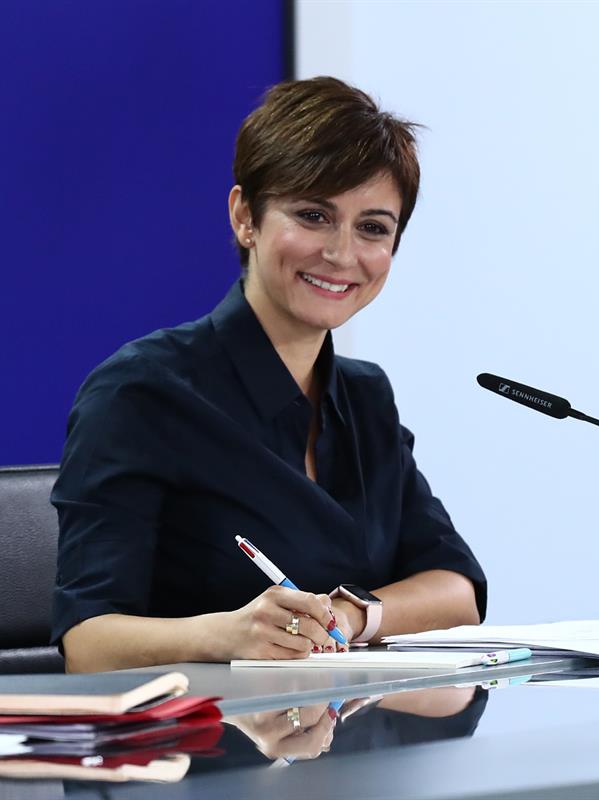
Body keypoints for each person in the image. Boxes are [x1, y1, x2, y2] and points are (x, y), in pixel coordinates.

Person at [51, 77, 486, 673]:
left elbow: (457, 589)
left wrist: (354, 615)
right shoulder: (141, 392)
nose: (341, 253)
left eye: (373, 228)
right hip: (203, 749)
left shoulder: (364, 396)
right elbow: (88, 643)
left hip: (350, 745)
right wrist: (227, 635)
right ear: (245, 217)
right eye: (313, 215)